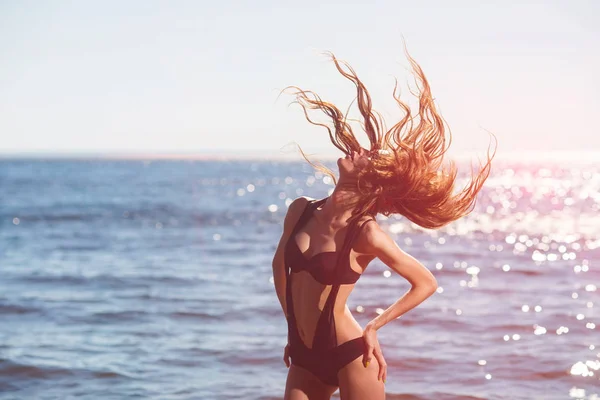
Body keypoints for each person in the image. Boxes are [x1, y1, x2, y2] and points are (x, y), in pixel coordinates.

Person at [271, 46, 495, 400]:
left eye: (368, 158)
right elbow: (279, 270)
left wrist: (374, 327)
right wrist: (292, 329)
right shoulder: (300, 210)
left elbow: (425, 282)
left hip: (350, 354)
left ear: (371, 181)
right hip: (302, 355)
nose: (356, 151)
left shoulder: (366, 234)